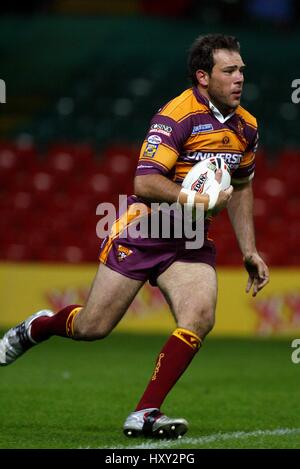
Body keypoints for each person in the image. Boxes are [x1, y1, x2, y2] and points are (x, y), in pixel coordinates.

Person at [0, 34, 269, 439]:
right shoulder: (177, 116)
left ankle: (145, 412)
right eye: (228, 71)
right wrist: (191, 198)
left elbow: (243, 186)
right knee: (92, 327)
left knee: (200, 316)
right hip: (145, 230)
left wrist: (249, 249)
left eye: (241, 70)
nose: (239, 79)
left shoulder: (246, 127)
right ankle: (38, 326)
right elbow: (144, 181)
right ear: (203, 77)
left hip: (189, 238)